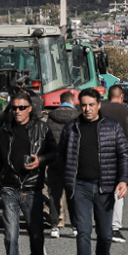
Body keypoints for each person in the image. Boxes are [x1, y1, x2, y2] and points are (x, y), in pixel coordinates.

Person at [58, 88, 128, 255]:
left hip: (105, 187)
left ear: (99, 105)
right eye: (84, 105)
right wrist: (66, 176)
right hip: (79, 186)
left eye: (91, 104)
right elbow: (61, 155)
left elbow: (124, 155)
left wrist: (123, 180)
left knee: (106, 235)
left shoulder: (112, 126)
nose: (87, 109)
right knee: (83, 232)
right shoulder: (72, 127)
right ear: (78, 105)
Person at [0, 92, 56, 255]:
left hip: (32, 189)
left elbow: (54, 152)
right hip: (9, 189)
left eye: (22, 108)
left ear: (30, 109)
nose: (17, 111)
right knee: (10, 235)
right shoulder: (6, 131)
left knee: (36, 233)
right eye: (14, 108)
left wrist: (41, 160)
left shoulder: (42, 128)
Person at [99, 85, 128, 243]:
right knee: (119, 188)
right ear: (122, 96)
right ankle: (115, 227)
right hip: (120, 152)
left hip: (100, 150)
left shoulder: (100, 109)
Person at [45, 90, 80, 237]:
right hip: (73, 161)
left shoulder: (50, 117)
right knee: (73, 193)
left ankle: (54, 226)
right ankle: (75, 226)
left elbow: (46, 138)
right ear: (72, 101)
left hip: (54, 160)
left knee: (54, 193)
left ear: (60, 101)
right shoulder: (78, 117)